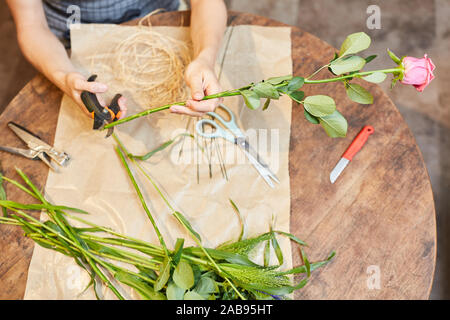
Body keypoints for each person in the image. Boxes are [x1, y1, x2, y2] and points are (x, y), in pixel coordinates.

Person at [6, 0, 227, 119]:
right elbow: (32, 25)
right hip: (69, 40)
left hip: (159, 23)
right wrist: (64, 75)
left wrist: (205, 56)